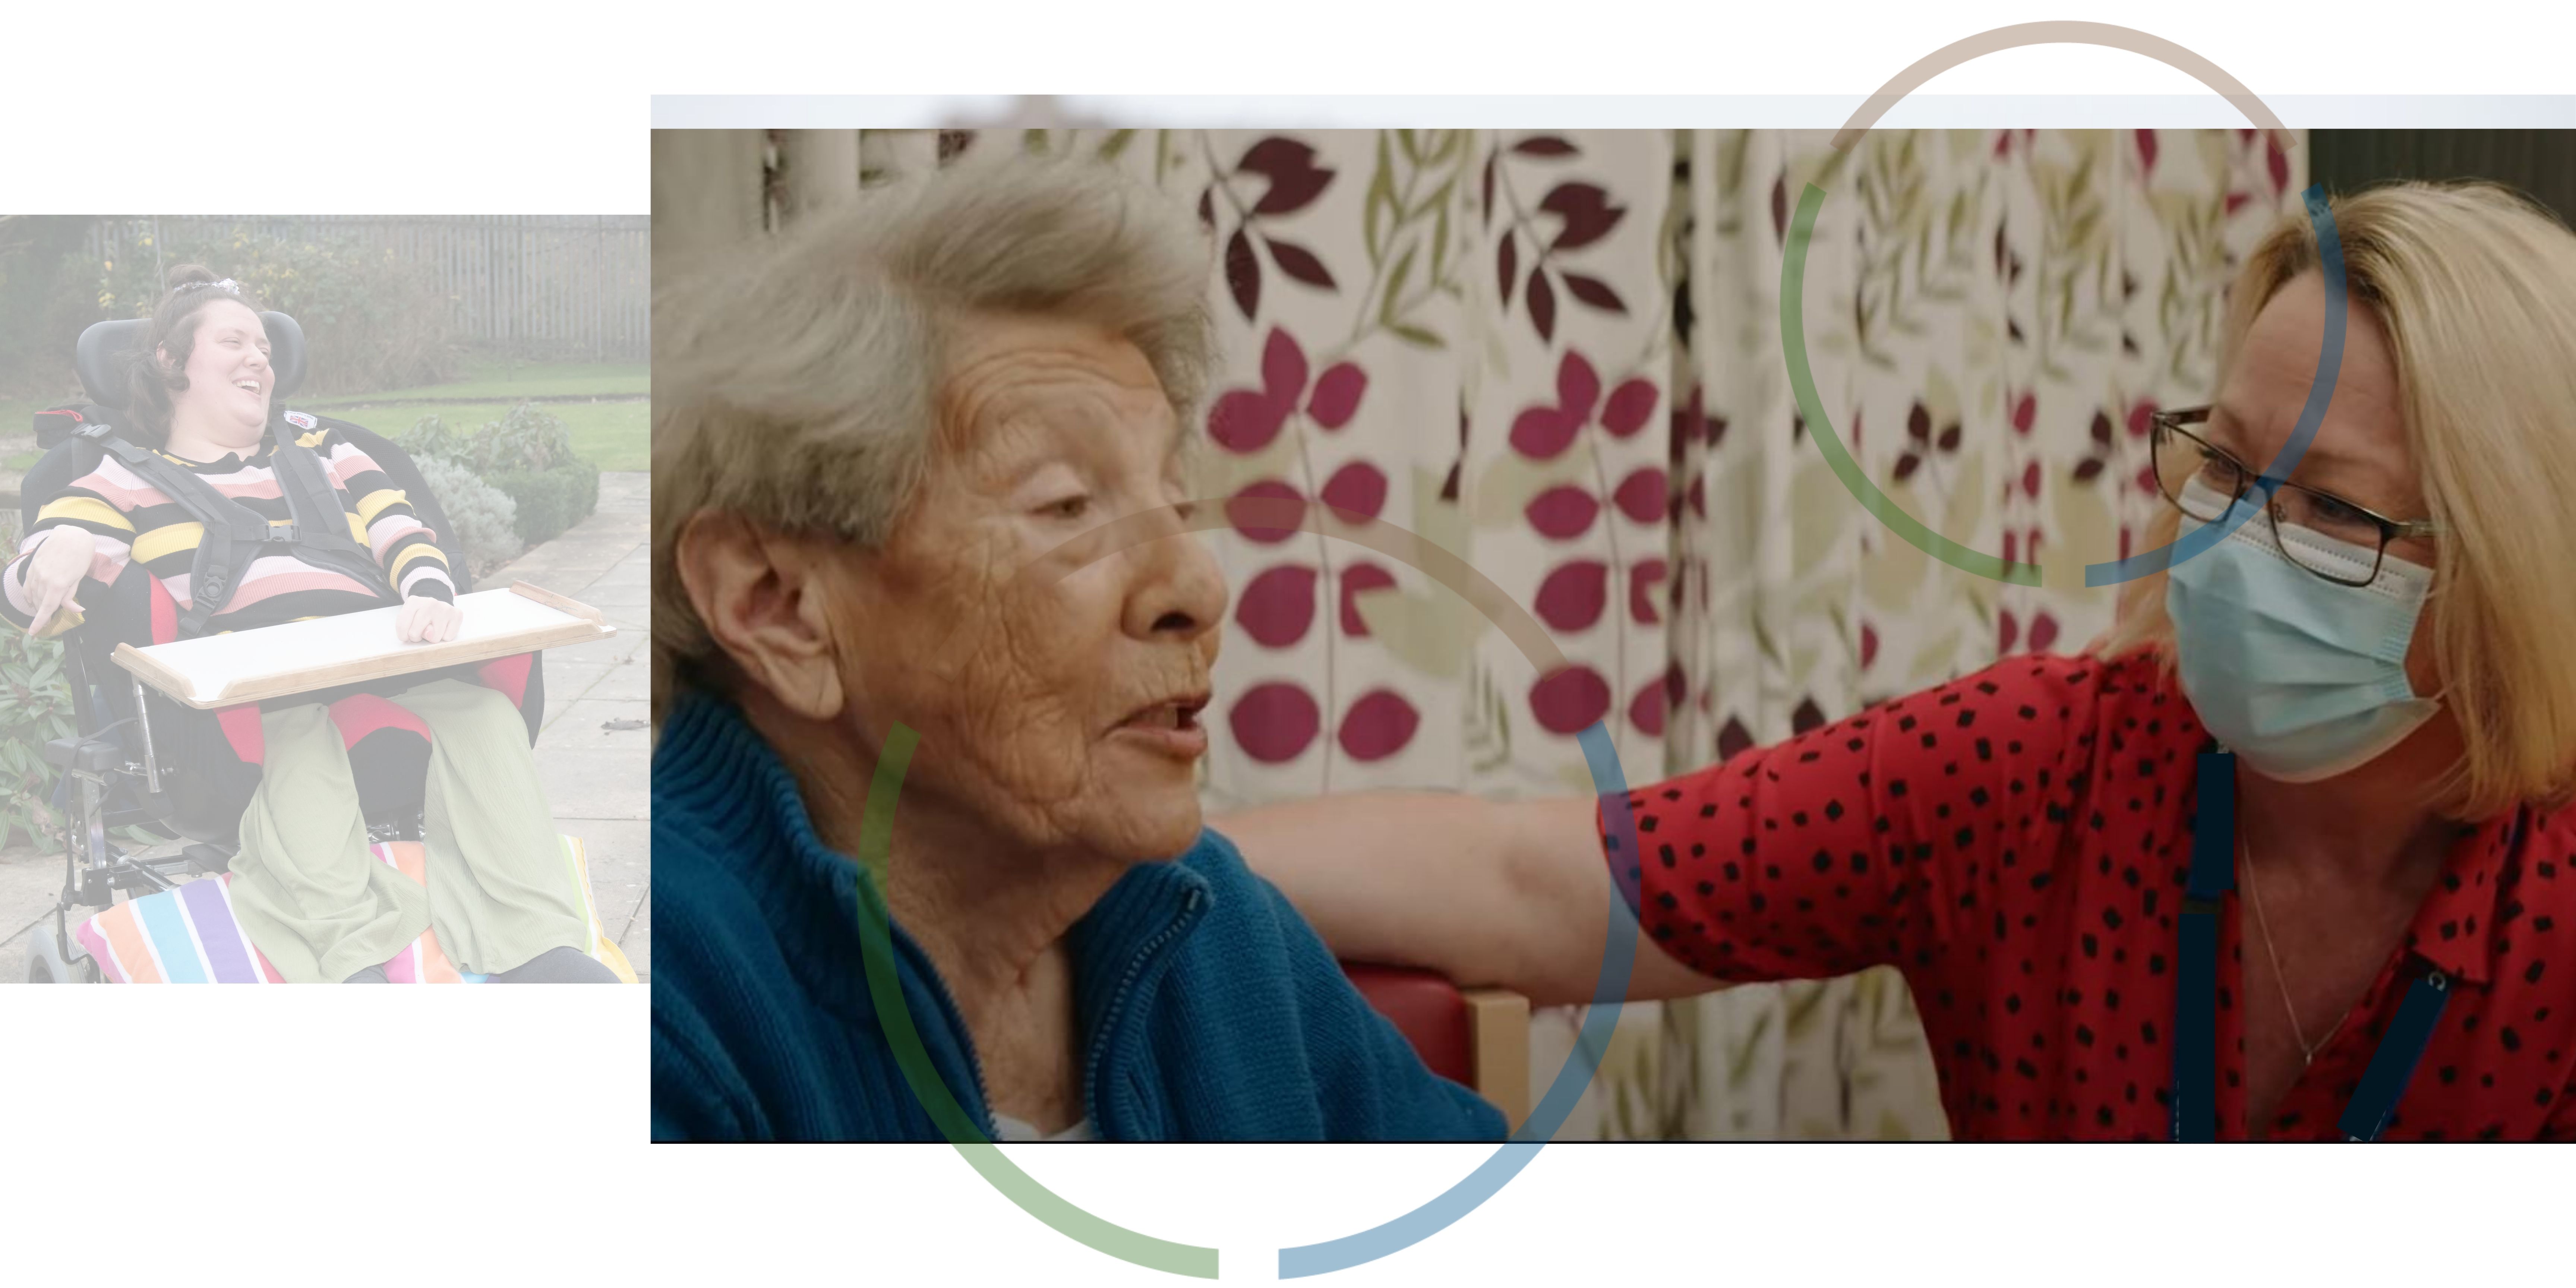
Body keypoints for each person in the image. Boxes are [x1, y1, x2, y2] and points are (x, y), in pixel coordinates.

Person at [1226, 180, 2576, 1141]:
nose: (2222, 543)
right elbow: (1542, 882)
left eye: (2332, 509)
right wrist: (1103, 853)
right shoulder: (2030, 767)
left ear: (2517, 567)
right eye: (2222, 463)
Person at [648, 157, 1503, 1142]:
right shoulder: (650, 1008)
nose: (1198, 587)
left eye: (1176, 507)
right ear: (779, 606)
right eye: (1068, 508)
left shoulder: (1202, 924)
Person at [5, 266, 616, 984]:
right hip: (248, 696)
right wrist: (62, 548)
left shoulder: (332, 452)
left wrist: (428, 592)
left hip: (383, 663)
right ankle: (347, 954)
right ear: (173, 362)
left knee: (483, 715)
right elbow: (25, 593)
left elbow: (408, 534)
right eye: (233, 341)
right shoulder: (116, 479)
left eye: (264, 346)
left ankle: (537, 947)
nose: (258, 358)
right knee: (300, 742)